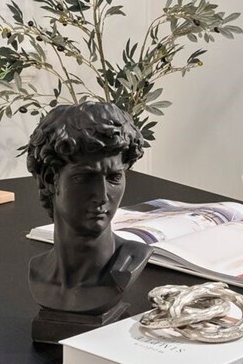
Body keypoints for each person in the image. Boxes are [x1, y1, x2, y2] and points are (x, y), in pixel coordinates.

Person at [26, 102, 151, 337]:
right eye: (84, 178)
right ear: (50, 180)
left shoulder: (129, 262)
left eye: (114, 178)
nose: (102, 196)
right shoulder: (39, 272)